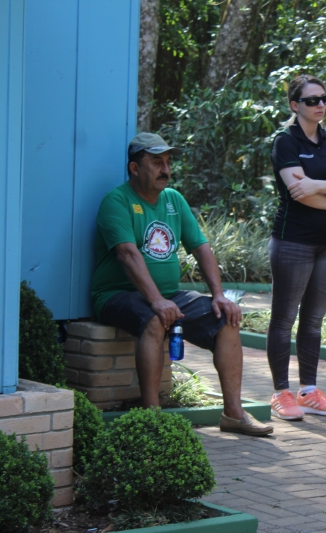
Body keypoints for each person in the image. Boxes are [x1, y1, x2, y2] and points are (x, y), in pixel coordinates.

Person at [91, 132, 274, 437]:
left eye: (167, 162)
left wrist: (218, 295)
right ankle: (152, 419)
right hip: (116, 294)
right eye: (156, 162)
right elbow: (127, 254)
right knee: (154, 319)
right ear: (135, 168)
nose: (165, 169)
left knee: (226, 318)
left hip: (168, 295)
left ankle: (233, 414)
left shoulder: (174, 200)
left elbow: (201, 248)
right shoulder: (117, 201)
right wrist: (156, 301)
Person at [267, 74, 326, 420]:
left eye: (324, 98)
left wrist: (319, 186)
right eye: (311, 100)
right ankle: (281, 393)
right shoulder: (285, 142)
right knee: (283, 319)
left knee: (314, 320)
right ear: (295, 105)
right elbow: (298, 193)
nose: (320, 104)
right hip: (293, 242)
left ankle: (308, 392)